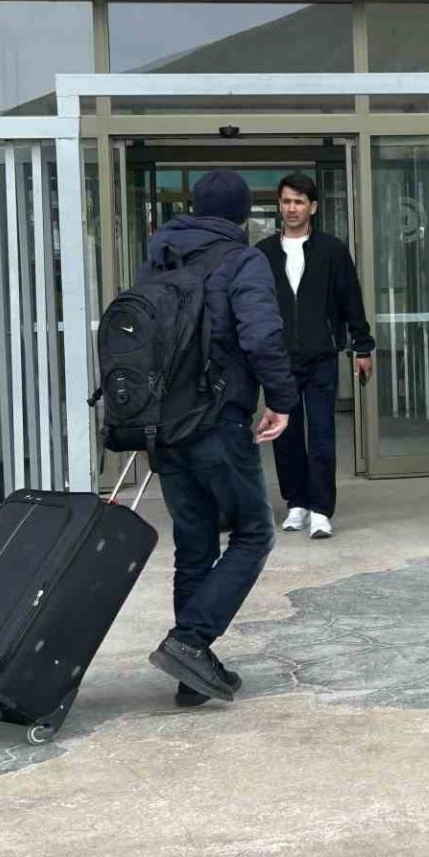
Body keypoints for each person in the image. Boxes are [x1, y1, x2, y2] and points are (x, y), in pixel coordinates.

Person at [143, 170, 297, 706]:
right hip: (217, 417)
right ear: (241, 214)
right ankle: (189, 641)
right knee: (254, 533)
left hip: (164, 424)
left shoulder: (159, 257)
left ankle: (192, 676)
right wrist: (281, 399)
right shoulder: (242, 260)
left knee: (195, 546)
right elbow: (261, 335)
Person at [257, 172, 374, 540]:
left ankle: (321, 509)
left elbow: (350, 299)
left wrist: (363, 346)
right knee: (285, 435)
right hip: (279, 359)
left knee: (322, 433)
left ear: (313, 207)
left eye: (299, 201)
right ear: (279, 205)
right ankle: (297, 503)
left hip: (321, 355)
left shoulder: (332, 250)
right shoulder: (263, 252)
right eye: (286, 201)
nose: (291, 208)